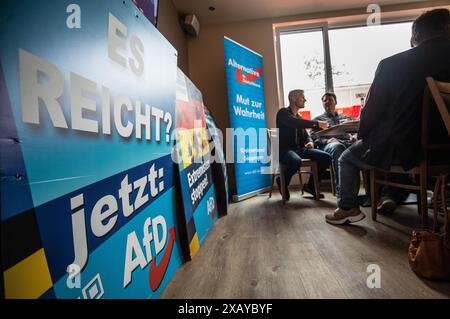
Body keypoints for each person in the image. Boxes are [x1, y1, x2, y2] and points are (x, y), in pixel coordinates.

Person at [325, 8, 450, 225]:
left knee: (348, 157)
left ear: (415, 37)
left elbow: (372, 112)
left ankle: (347, 208)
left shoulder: (393, 64)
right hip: (445, 148)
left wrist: (362, 135)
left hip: (411, 149)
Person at [276, 89, 331, 200]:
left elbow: (306, 135)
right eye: (302, 97)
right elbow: (295, 123)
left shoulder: (299, 117)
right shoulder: (283, 113)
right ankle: (281, 182)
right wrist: (317, 123)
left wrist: (310, 141)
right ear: (293, 98)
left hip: (300, 149)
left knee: (326, 157)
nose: (305, 99)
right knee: (296, 161)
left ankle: (310, 186)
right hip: (285, 151)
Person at [311, 93, 357, 190]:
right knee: (337, 146)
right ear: (322, 104)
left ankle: (359, 188)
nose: (327, 102)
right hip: (329, 146)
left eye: (330, 100)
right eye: (325, 101)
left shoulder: (346, 118)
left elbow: (356, 131)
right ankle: (342, 189)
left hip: (347, 143)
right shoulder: (318, 120)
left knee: (361, 145)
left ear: (335, 102)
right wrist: (327, 141)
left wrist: (354, 136)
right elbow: (314, 137)